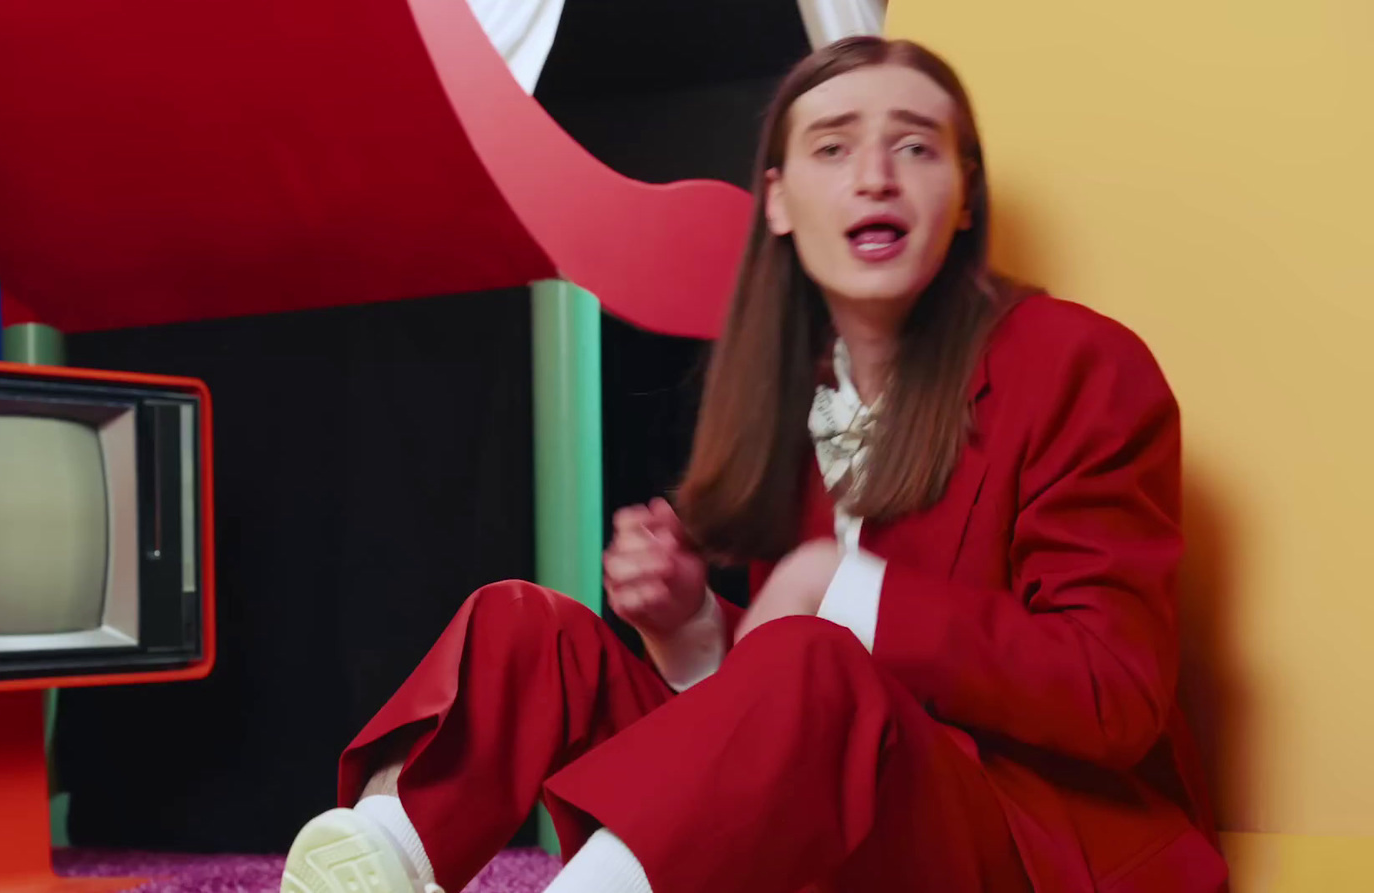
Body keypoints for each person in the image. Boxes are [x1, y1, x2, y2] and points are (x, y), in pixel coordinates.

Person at [278, 35, 1229, 893]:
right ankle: (384, 855)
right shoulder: (795, 400)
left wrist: (842, 586)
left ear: (965, 193)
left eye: (915, 146)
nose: (875, 177)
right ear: (776, 198)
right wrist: (690, 626)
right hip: (841, 830)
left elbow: (1115, 694)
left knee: (812, 656)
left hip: (1023, 851)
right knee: (526, 628)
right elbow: (771, 729)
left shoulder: (1078, 362)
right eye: (832, 147)